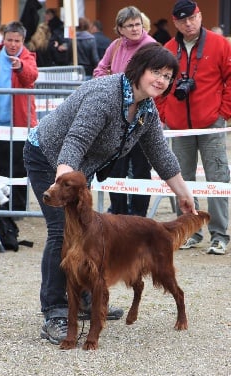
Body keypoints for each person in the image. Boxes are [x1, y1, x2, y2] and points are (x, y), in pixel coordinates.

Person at [23, 42, 197, 345]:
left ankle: (87, 297)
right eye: (156, 72)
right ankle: (55, 312)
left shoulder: (146, 110)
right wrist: (62, 180)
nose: (161, 80)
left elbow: (160, 154)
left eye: (168, 76)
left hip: (78, 169)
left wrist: (183, 193)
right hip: (48, 155)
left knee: (87, 234)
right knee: (60, 232)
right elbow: (75, 141)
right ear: (139, 69)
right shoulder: (106, 95)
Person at [155, 0, 231, 255]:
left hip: (210, 125)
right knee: (180, 179)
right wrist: (165, 114)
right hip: (179, 126)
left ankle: (219, 235)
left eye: (192, 18)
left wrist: (225, 112)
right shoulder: (169, 49)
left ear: (200, 16)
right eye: (182, 20)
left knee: (218, 177)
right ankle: (188, 232)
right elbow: (158, 85)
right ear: (175, 22)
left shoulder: (218, 44)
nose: (189, 23)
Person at [93, 6, 155, 217]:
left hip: (141, 116)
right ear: (120, 29)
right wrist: (109, 85)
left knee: (140, 169)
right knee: (115, 168)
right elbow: (100, 69)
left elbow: (155, 79)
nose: (136, 29)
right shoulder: (116, 45)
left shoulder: (151, 47)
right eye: (130, 26)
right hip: (116, 118)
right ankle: (117, 215)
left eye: (138, 24)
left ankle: (139, 217)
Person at [0, 21, 38, 211]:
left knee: (19, 168)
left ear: (23, 41)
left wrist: (20, 67)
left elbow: (31, 76)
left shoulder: (28, 57)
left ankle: (18, 207)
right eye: (9, 40)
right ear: (4, 39)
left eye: (17, 41)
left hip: (19, 124)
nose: (13, 44)